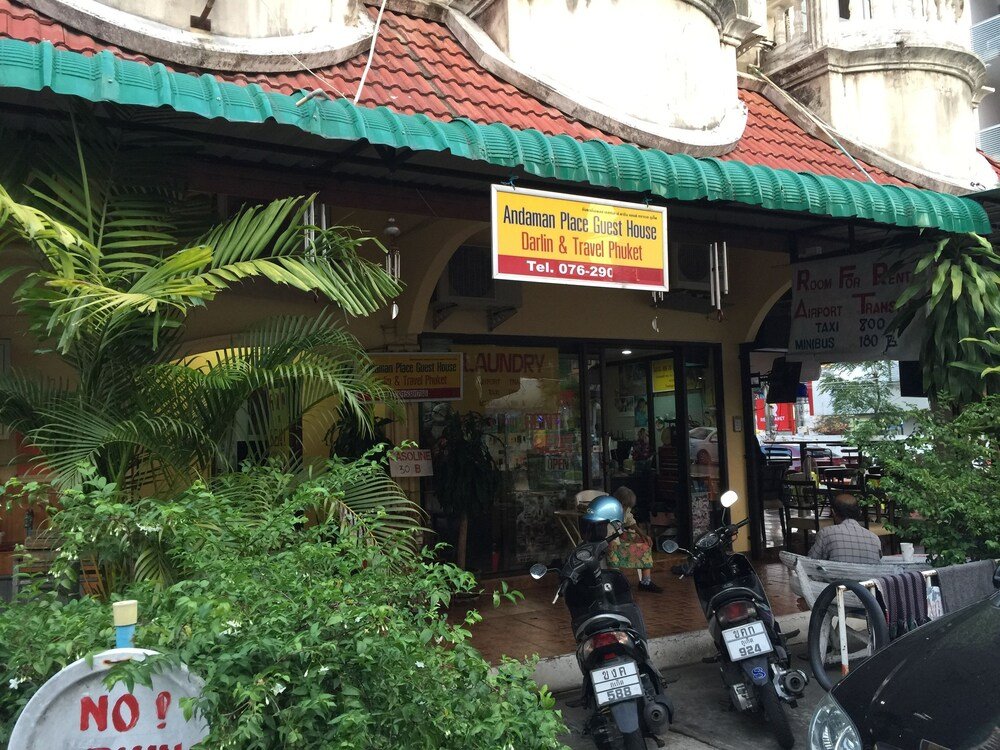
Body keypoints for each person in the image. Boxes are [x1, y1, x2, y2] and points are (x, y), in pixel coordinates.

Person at [607, 486, 662, 593]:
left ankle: (645, 582)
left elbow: (630, 521)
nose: (625, 509)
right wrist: (616, 537)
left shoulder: (626, 509)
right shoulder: (609, 508)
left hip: (620, 534)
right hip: (609, 537)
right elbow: (609, 527)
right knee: (613, 546)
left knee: (644, 542)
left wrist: (643, 534)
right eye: (624, 506)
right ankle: (616, 581)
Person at [808, 493, 882, 564]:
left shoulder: (825, 533)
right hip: (868, 573)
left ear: (833, 512)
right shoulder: (874, 538)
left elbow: (810, 562)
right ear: (859, 512)